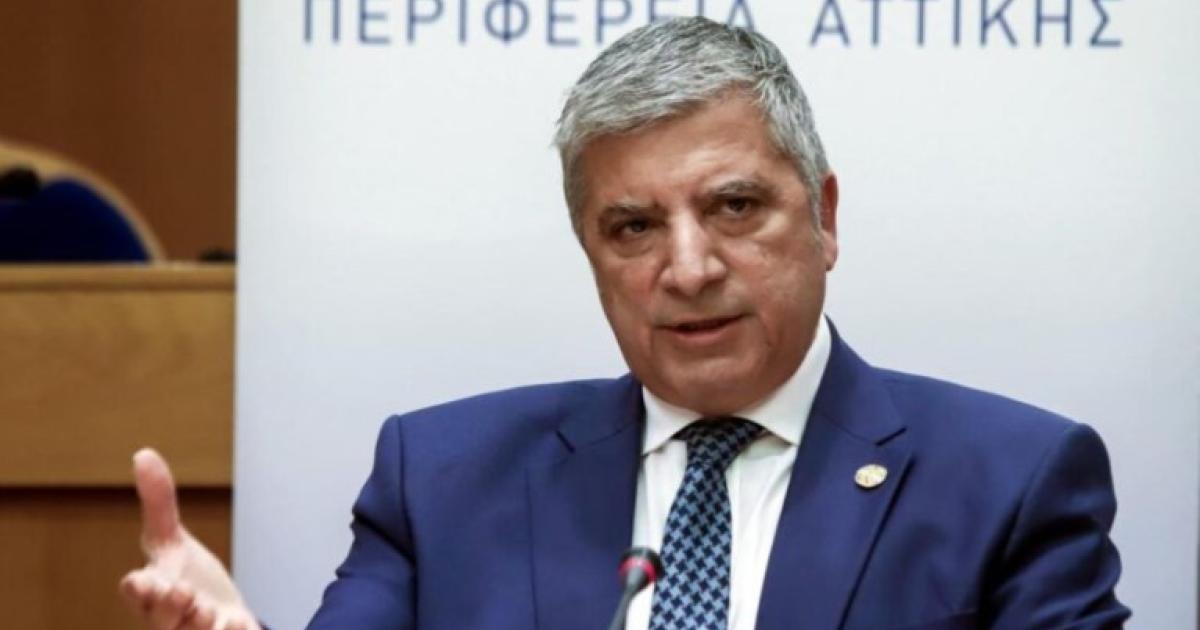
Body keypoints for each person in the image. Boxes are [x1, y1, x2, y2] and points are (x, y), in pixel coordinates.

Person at [119, 16, 1130, 630]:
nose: (687, 269)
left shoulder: (1011, 482)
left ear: (824, 217)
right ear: (589, 249)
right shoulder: (441, 478)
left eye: (735, 207)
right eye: (634, 227)